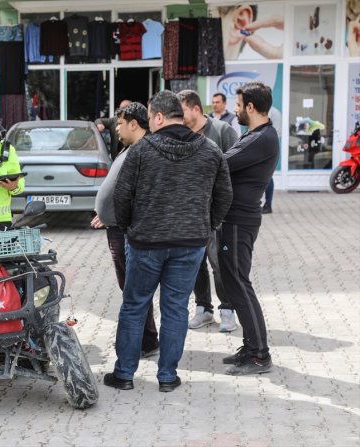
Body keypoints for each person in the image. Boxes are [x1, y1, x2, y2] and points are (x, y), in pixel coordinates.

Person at [106, 91, 232, 392]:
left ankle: (124, 375)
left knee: (135, 305)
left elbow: (120, 196)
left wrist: (128, 227)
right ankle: (167, 377)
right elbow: (225, 195)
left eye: (150, 117)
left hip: (145, 243)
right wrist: (207, 226)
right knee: (175, 308)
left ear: (159, 117)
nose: (149, 122)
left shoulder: (141, 151)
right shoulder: (210, 149)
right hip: (190, 244)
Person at [219, 82, 279, 375]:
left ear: (251, 107)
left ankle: (259, 355)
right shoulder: (256, 135)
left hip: (238, 221)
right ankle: (250, 346)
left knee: (240, 284)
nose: (235, 109)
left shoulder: (261, 139)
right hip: (236, 219)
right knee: (234, 284)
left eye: (239, 105)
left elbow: (221, 164)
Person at [90, 102, 159, 358]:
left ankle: (146, 342)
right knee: (130, 287)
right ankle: (147, 339)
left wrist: (115, 216)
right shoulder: (129, 147)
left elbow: (140, 196)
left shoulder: (143, 151)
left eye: (120, 123)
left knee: (134, 289)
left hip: (127, 231)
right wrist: (105, 213)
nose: (116, 128)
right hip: (115, 226)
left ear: (133, 123)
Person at [178, 89, 239, 333]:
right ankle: (203, 309)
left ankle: (228, 309)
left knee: (219, 262)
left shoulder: (222, 131)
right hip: (190, 212)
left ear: (194, 108)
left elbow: (236, 168)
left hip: (217, 211)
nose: (178, 117)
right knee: (195, 263)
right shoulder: (181, 135)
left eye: (181, 111)